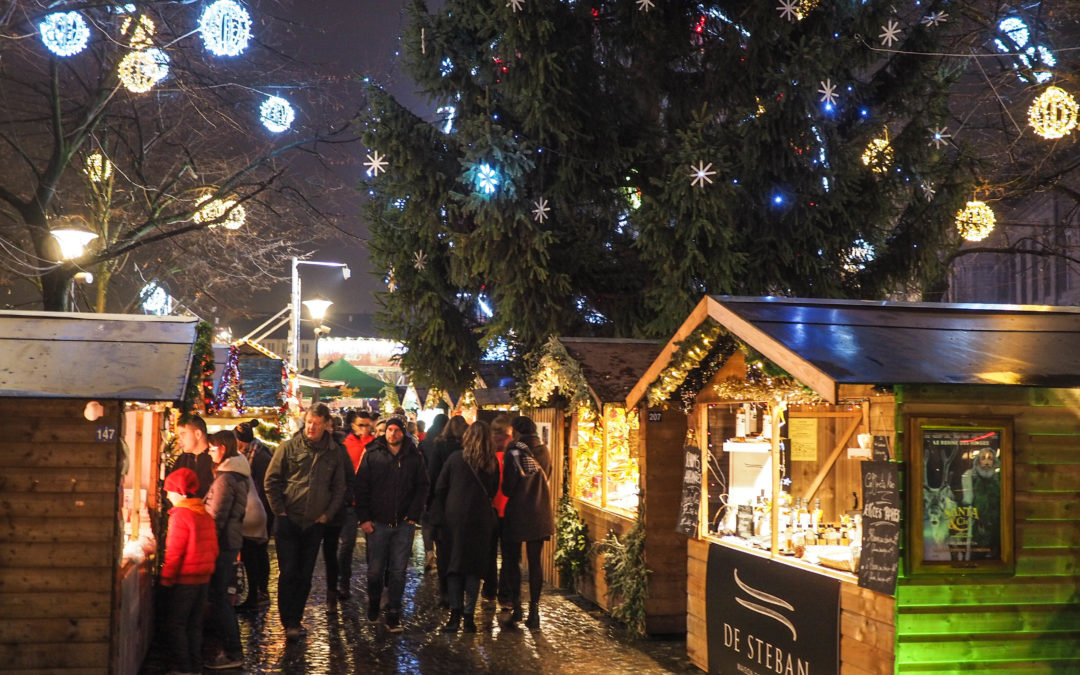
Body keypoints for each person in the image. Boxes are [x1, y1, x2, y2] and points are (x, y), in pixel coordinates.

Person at [264, 403, 348, 641]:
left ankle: (296, 619)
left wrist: (327, 515)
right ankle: (287, 619)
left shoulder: (333, 453)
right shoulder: (288, 447)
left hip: (314, 524)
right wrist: (279, 510)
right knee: (288, 571)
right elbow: (271, 480)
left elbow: (338, 487)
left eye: (317, 423)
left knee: (305, 574)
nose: (311, 427)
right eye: (309, 422)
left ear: (325, 425)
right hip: (288, 520)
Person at [354, 416, 429, 632]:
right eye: (389, 430)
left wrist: (414, 513)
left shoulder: (413, 457)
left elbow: (423, 486)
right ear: (384, 432)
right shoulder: (372, 454)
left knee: (398, 571)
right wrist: (364, 518)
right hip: (377, 523)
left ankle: (394, 612)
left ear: (403, 433)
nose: (392, 434)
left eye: (397, 430)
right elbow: (361, 487)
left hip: (403, 524)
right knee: (375, 571)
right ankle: (375, 603)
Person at [430, 420, 500, 633]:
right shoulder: (492, 463)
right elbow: (494, 490)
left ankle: (455, 614)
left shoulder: (454, 459)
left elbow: (440, 488)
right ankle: (469, 615)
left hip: (454, 520)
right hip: (480, 521)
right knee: (473, 569)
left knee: (454, 567)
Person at [161, 468, 219, 675]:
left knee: (176, 624)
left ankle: (184, 668)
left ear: (180, 492)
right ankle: (195, 666)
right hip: (203, 579)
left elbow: (174, 553)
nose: (167, 495)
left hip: (185, 580)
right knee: (194, 625)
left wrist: (166, 580)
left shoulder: (180, 516)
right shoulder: (204, 513)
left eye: (169, 490)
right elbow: (213, 548)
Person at [500, 415, 555, 629]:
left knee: (512, 560)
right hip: (540, 511)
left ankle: (517, 607)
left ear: (516, 431)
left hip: (517, 512)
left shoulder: (513, 450)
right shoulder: (544, 449)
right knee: (535, 561)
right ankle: (534, 610)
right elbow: (546, 476)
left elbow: (508, 487)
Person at [203, 430, 250, 669]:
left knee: (220, 598)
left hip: (222, 545)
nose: (209, 451)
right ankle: (230, 648)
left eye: (212, 447)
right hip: (229, 542)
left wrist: (205, 542)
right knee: (221, 597)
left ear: (222, 448)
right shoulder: (235, 474)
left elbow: (216, 516)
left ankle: (233, 652)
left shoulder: (226, 478)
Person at [428, 415, 467, 603]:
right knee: (460, 549)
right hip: (463, 505)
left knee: (444, 552)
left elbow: (433, 476)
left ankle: (445, 591)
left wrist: (430, 505)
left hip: (443, 506)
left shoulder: (439, 446)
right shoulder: (468, 449)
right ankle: (459, 590)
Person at [337, 410, 376, 599]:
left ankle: (373, 582)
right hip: (350, 503)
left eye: (367, 425)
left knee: (373, 546)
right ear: (353, 425)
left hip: (370, 503)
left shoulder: (375, 444)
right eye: (361, 425)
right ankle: (343, 582)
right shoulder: (345, 445)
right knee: (347, 545)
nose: (364, 429)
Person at [235, 421, 273, 610]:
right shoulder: (252, 453)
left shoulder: (259, 457)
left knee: (256, 553)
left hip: (261, 512)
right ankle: (257, 592)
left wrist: (264, 511)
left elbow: (266, 487)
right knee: (255, 553)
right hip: (256, 511)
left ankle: (260, 592)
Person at [486, 415, 513, 608]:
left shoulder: (486, 454)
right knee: (509, 555)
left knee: (489, 553)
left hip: (491, 510)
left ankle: (489, 591)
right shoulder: (513, 454)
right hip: (508, 510)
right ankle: (505, 595)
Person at [418, 413, 449, 572]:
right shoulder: (447, 443)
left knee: (427, 521)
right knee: (441, 522)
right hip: (444, 488)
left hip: (427, 486)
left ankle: (430, 552)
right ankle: (441, 552)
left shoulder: (425, 442)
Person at [961, 447, 1001, 559]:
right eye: (983, 458)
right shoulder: (970, 478)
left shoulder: (999, 480)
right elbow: (967, 502)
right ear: (978, 461)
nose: (987, 461)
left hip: (996, 527)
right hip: (977, 527)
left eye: (990, 459)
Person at [172, 413, 215, 499]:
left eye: (183, 434)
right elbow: (171, 489)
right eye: (179, 435)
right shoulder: (182, 460)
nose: (180, 440)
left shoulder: (216, 458)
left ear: (198, 434)